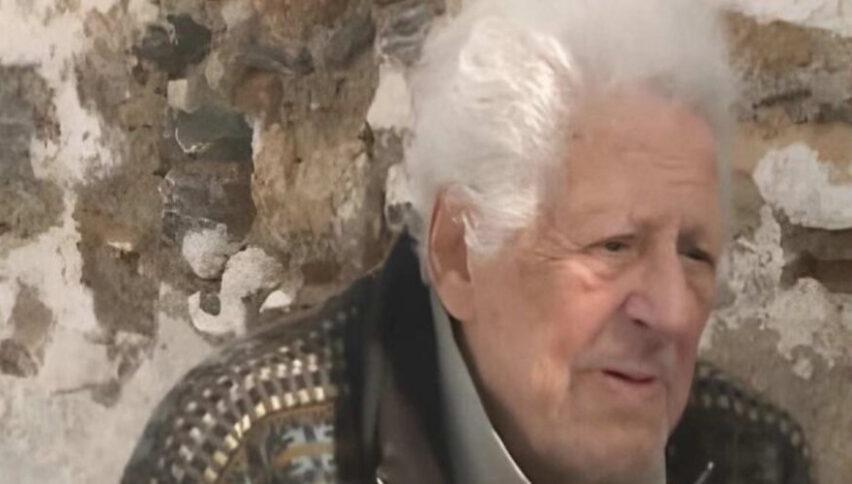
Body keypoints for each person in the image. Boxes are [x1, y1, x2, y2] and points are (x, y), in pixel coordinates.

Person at [123, 0, 811, 483]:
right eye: (614, 246)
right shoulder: (246, 452)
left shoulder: (752, 458)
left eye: (695, 253)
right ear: (458, 254)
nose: (673, 311)